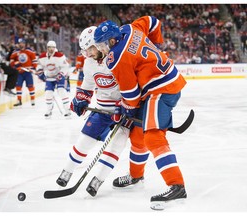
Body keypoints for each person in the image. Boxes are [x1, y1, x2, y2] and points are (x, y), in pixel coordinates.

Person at [94, 16, 187, 207]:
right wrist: (157, 43)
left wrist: (125, 109)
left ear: (112, 40)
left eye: (103, 45)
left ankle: (177, 185)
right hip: (166, 79)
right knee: (137, 134)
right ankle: (136, 176)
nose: (102, 50)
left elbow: (132, 94)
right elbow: (152, 21)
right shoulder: (129, 28)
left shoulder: (116, 57)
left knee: (153, 137)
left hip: (159, 90)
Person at [56, 26, 132, 197]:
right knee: (85, 139)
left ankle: (98, 180)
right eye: (85, 51)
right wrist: (81, 99)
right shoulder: (89, 62)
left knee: (117, 145)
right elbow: (88, 84)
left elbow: (131, 85)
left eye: (89, 49)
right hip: (103, 108)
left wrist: (125, 105)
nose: (87, 54)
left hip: (124, 110)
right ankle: (67, 171)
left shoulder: (117, 57)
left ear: (98, 44)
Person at [36, 40, 71, 117]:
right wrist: (40, 73)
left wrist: (61, 74)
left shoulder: (60, 56)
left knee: (61, 91)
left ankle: (67, 109)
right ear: (47, 48)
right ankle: (49, 110)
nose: (51, 49)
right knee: (48, 93)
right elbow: (39, 67)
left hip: (59, 77)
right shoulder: (42, 57)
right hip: (49, 78)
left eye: (53, 47)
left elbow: (65, 67)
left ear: (55, 48)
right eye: (49, 47)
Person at [9, 38, 37, 106]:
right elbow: (11, 61)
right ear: (18, 44)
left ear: (25, 43)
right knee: (18, 86)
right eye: (20, 43)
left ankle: (32, 99)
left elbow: (34, 61)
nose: (21, 44)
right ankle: (19, 100)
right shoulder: (15, 52)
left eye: (22, 43)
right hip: (19, 72)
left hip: (27, 71)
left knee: (30, 86)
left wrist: (33, 68)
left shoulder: (30, 51)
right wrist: (16, 65)